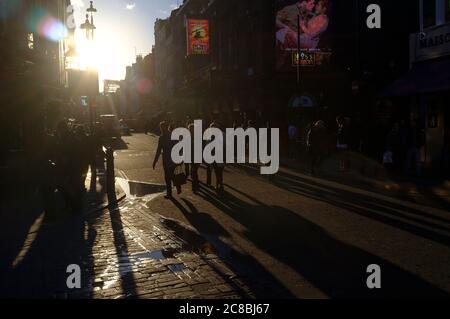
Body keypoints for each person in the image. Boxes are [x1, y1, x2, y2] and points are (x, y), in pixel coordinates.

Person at [153, 121, 181, 199]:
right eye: (161, 127)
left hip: (172, 158)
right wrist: (155, 161)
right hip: (165, 159)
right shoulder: (161, 137)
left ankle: (175, 187)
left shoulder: (172, 135)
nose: (162, 128)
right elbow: (159, 149)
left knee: (170, 175)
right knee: (167, 176)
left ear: (166, 126)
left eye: (163, 127)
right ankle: (170, 193)